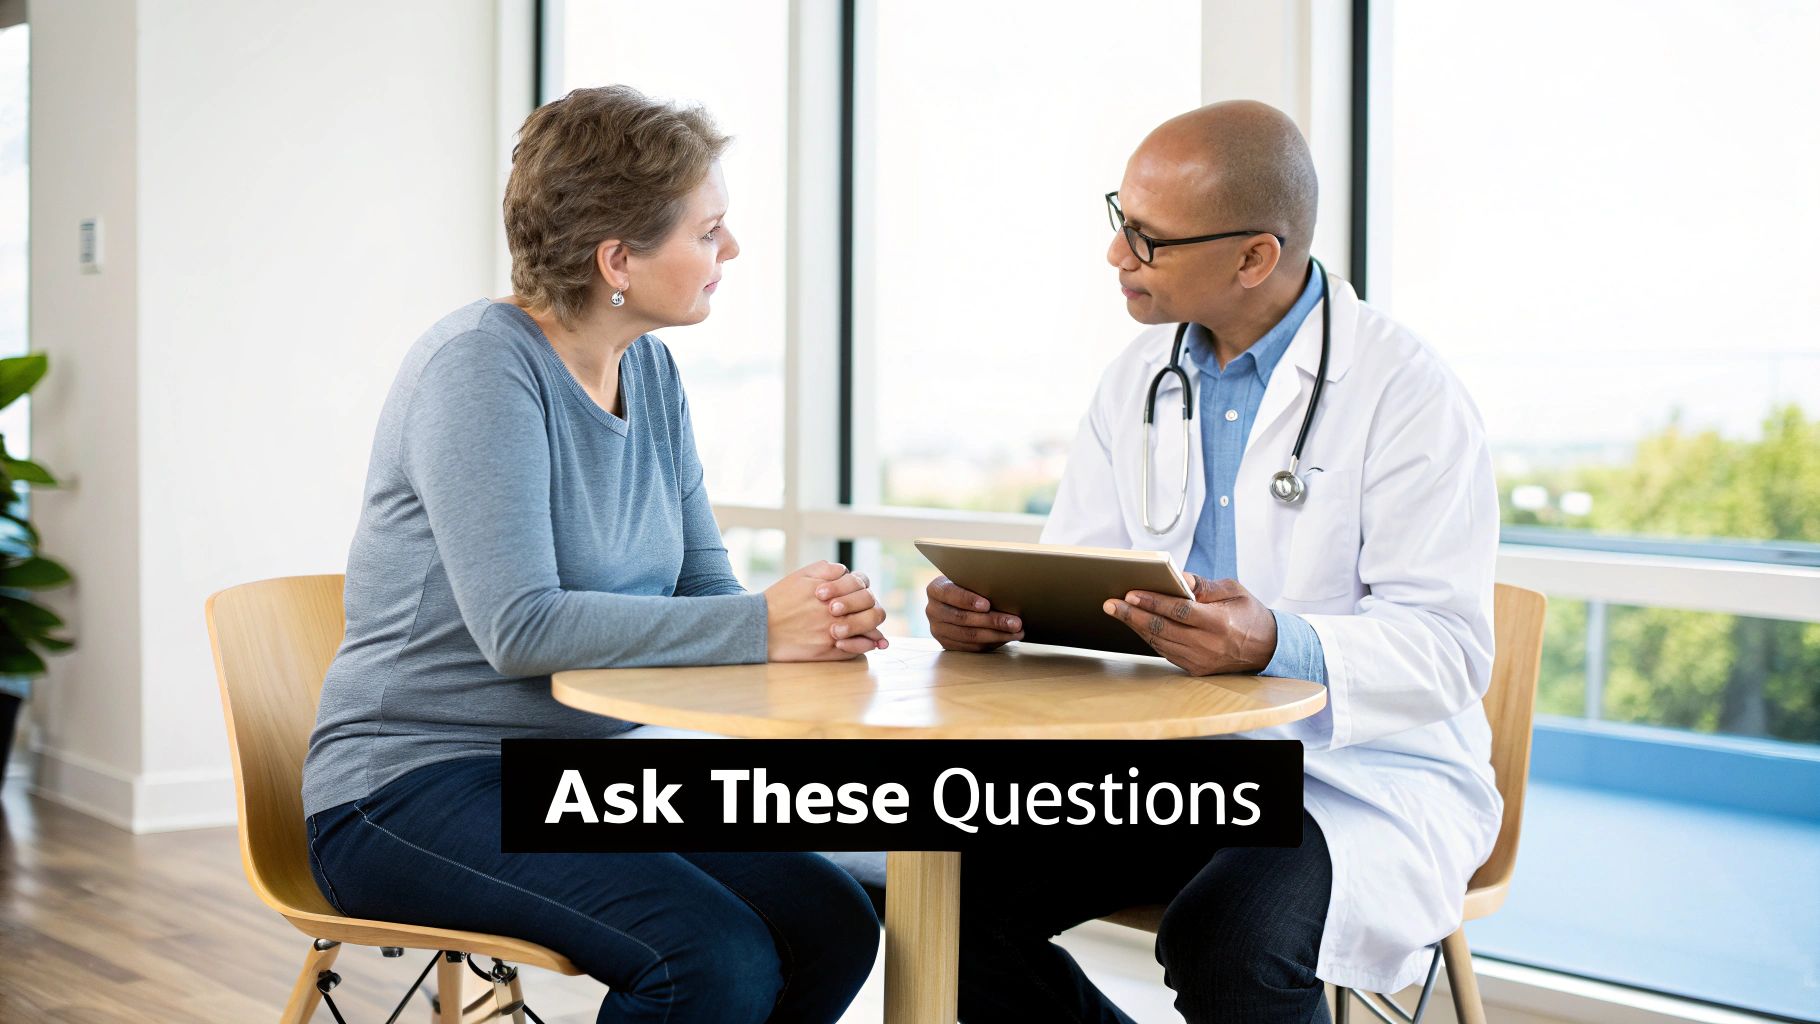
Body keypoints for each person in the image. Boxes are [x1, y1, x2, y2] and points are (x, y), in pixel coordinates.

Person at [302, 85, 884, 1024]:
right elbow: (520, 629)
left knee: (832, 920)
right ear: (618, 258)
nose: (729, 251)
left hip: (583, 774)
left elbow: (703, 586)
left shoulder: (649, 369)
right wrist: (758, 625)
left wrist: (805, 630)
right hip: (411, 783)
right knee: (710, 958)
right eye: (710, 230)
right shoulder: (480, 369)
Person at [926, 100, 1501, 1023]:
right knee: (940, 893)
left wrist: (1274, 640)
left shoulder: (1407, 393)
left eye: (1148, 242)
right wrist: (1002, 617)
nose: (1117, 257)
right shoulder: (1137, 378)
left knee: (1230, 939)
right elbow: (1087, 579)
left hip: (1358, 775)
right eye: (1122, 223)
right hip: (1176, 762)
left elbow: (1448, 648)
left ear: (1253, 257)